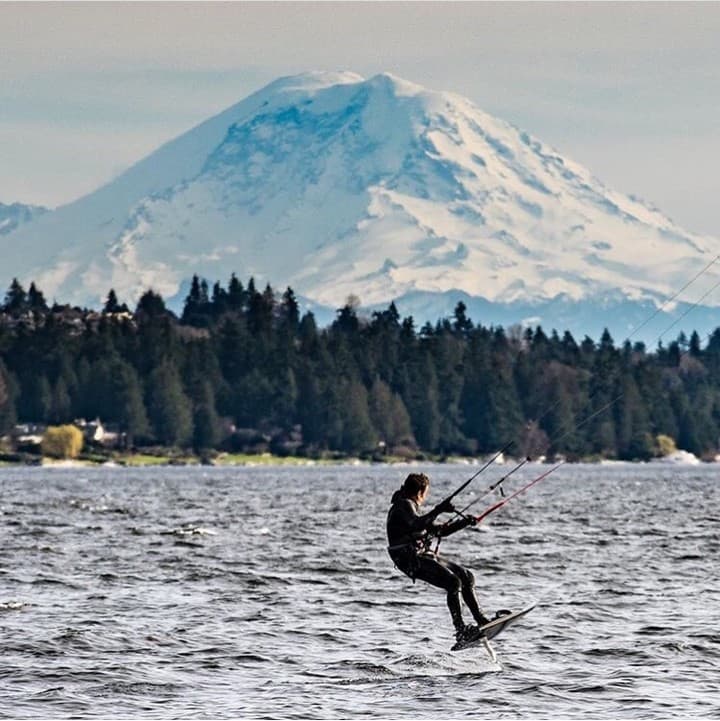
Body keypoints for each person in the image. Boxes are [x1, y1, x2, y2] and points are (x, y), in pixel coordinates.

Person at [386, 472, 498, 645]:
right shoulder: (403, 505)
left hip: (420, 555)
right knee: (453, 582)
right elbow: (417, 524)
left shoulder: (412, 507)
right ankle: (460, 630)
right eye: (426, 493)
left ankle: (481, 619)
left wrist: (465, 522)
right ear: (420, 492)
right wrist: (439, 509)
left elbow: (439, 531)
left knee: (465, 576)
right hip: (407, 558)